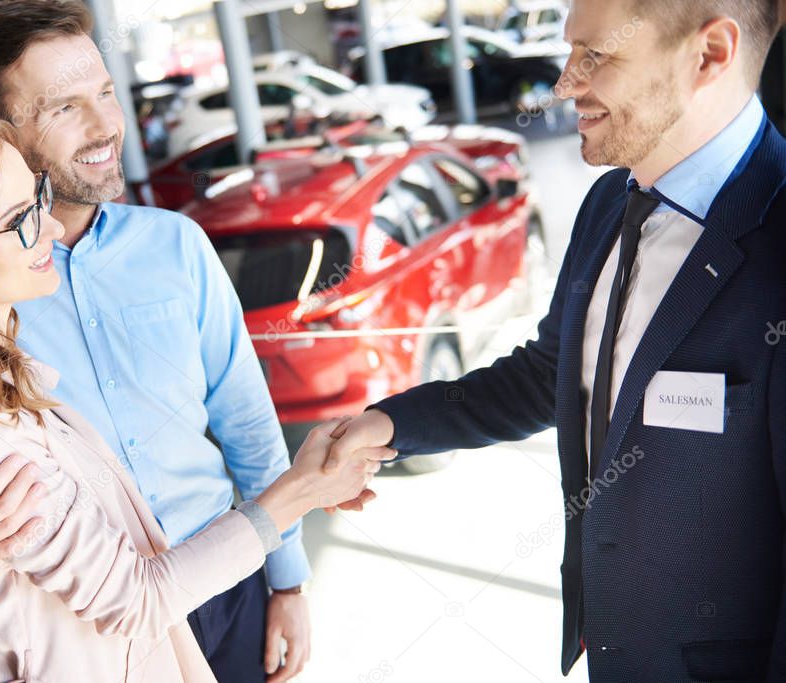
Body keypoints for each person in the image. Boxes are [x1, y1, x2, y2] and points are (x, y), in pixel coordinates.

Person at [0, 2, 349, 680]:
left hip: (228, 579)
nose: (106, 126)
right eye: (63, 108)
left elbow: (245, 421)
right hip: (93, 631)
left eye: (104, 91)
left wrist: (286, 579)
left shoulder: (176, 245)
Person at [324, 0, 786, 680]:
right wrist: (387, 424)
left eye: (595, 58)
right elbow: (555, 371)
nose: (564, 84)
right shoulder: (607, 204)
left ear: (708, 54)